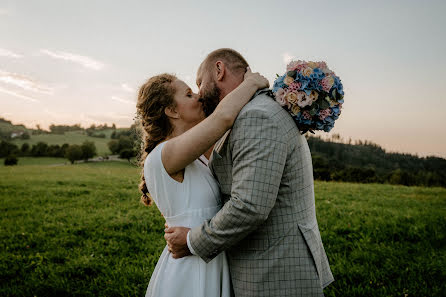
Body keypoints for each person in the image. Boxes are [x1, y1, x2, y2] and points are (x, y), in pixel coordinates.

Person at [165, 48, 334, 297]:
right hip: (275, 265)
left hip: (276, 275)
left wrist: (192, 241)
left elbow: (249, 206)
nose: (199, 94)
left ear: (219, 70)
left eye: (200, 83)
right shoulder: (255, 110)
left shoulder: (257, 116)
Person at [137, 68, 269, 297]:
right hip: (191, 268)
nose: (198, 96)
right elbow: (224, 118)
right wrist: (252, 83)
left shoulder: (192, 155)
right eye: (188, 95)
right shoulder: (164, 154)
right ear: (171, 111)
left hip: (206, 255)